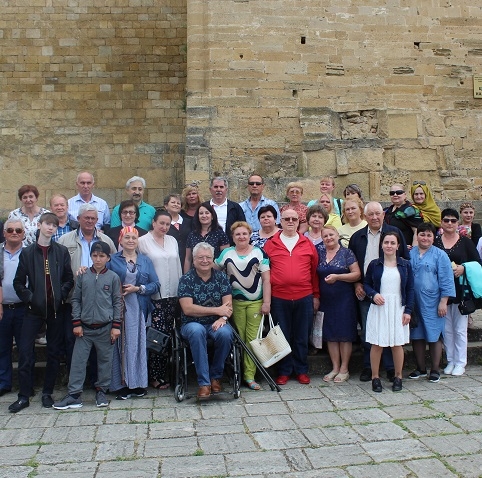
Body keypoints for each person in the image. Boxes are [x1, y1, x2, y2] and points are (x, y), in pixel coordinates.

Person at [9, 213, 74, 413]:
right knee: (26, 352)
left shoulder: (61, 251)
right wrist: (30, 298)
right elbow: (18, 282)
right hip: (32, 311)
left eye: (54, 225)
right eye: (47, 224)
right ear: (39, 225)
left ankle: (47, 392)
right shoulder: (28, 253)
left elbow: (68, 279)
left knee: (54, 352)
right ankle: (24, 395)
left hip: (55, 310)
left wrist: (61, 295)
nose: (50, 228)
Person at [52, 242, 122, 409]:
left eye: (102, 256)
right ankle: (74, 394)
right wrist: (76, 322)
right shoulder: (83, 276)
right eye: (95, 256)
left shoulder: (113, 277)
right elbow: (75, 299)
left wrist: (116, 325)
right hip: (85, 328)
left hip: (105, 327)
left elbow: (117, 302)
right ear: (91, 256)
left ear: (108, 257)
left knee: (105, 361)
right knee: (78, 361)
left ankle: (101, 391)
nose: (98, 259)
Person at [348, 202, 409, 383]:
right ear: (365, 217)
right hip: (367, 290)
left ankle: (390, 369)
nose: (374, 217)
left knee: (391, 330)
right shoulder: (357, 237)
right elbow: (352, 263)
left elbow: (405, 259)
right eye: (370, 214)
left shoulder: (394, 233)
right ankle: (369, 367)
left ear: (383, 215)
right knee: (370, 330)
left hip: (392, 291)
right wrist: (357, 284)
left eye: (377, 214)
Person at [264, 208, 319, 385]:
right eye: (286, 218)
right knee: (282, 335)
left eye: (294, 219)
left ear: (299, 221)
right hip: (279, 297)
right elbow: (264, 272)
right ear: (281, 221)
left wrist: (316, 296)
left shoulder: (307, 243)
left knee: (302, 335)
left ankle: (301, 370)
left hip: (304, 296)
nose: (290, 221)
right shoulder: (271, 243)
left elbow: (314, 272)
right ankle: (284, 371)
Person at [58, 204, 116, 370]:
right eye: (86, 218)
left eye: (93, 218)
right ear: (79, 219)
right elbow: (59, 268)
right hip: (73, 297)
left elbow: (113, 267)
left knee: (98, 342)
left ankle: (94, 379)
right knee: (72, 339)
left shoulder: (106, 241)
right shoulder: (65, 240)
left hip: (100, 301)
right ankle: (75, 379)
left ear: (98, 221)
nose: (90, 221)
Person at [215, 222, 271, 390]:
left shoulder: (259, 252)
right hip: (234, 303)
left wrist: (267, 302)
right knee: (239, 338)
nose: (241, 237)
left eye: (244, 234)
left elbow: (267, 279)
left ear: (249, 235)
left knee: (252, 339)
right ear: (233, 237)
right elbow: (214, 270)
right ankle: (237, 372)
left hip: (256, 303)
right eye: (237, 234)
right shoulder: (226, 253)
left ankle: (249, 376)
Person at [108, 227, 160, 400]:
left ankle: (137, 383)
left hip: (139, 306)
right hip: (120, 307)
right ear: (121, 240)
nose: (131, 240)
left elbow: (155, 284)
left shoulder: (145, 261)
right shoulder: (113, 260)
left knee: (137, 345)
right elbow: (104, 279)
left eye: (134, 238)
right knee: (120, 345)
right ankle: (121, 384)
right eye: (127, 237)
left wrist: (138, 288)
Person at [178, 242, 233, 399]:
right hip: (191, 323)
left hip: (216, 322)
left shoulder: (221, 277)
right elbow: (187, 308)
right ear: (194, 259)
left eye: (208, 257)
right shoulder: (186, 279)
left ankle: (215, 377)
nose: (204, 260)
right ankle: (203, 383)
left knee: (225, 334)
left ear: (213, 259)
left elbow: (228, 306)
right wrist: (217, 310)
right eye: (200, 257)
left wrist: (223, 317)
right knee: (197, 331)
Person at [364, 232, 414, 393]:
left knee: (397, 344)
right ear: (382, 245)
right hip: (379, 307)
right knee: (377, 343)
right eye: (386, 242)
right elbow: (366, 284)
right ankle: (375, 377)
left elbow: (410, 289)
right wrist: (373, 294)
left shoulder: (405, 265)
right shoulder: (375, 264)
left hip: (397, 307)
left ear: (398, 246)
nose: (389, 246)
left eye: (393, 243)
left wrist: (408, 311)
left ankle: (398, 377)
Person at [138, 209, 182, 389]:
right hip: (154, 296)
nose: (164, 227)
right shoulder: (142, 241)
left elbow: (178, 265)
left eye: (167, 224)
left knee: (172, 336)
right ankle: (154, 376)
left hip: (173, 296)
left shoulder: (172, 240)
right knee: (157, 336)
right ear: (154, 223)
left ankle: (172, 372)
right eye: (161, 223)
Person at [434, 208, 481, 376]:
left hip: (461, 291)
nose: (449, 223)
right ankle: (451, 360)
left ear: (457, 223)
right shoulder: (436, 242)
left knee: (460, 328)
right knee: (446, 329)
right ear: (441, 222)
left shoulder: (465, 242)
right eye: (446, 220)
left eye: (453, 221)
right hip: (442, 291)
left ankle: (461, 362)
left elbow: (478, 263)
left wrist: (464, 267)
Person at [409, 223, 455, 383]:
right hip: (414, 303)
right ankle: (420, 368)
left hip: (433, 302)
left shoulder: (440, 255)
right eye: (422, 234)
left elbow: (447, 279)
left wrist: (444, 301)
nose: (425, 238)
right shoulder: (410, 253)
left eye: (429, 235)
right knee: (417, 335)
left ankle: (435, 368)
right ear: (417, 236)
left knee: (434, 334)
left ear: (433, 237)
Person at [317, 226, 360, 383]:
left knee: (344, 334)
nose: (328, 238)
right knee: (330, 335)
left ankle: (344, 368)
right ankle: (335, 367)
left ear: (337, 235)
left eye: (331, 234)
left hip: (344, 299)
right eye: (325, 236)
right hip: (326, 300)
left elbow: (356, 274)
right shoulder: (319, 252)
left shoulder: (346, 253)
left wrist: (338, 277)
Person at [0, 220, 26, 397]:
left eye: (18, 230)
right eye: (10, 230)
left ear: (24, 233)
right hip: (2, 308)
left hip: (23, 307)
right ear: (4, 233)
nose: (14, 232)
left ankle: (27, 385)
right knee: (2, 347)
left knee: (25, 348)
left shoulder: (29, 253)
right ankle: (4, 383)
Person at [184, 204, 229, 272]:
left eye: (207, 213)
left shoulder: (220, 234)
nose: (204, 215)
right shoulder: (192, 235)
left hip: (215, 273)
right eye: (201, 213)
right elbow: (188, 259)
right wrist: (186, 277)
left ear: (212, 216)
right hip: (195, 274)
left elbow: (225, 258)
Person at [204, 176, 246, 245]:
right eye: (215, 187)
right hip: (207, 246)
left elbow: (242, 226)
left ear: (226, 190)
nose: (218, 190)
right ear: (210, 189)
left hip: (230, 246)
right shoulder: (204, 207)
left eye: (221, 187)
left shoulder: (235, 207)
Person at [164, 193, 192, 268]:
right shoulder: (161, 223)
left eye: (178, 203)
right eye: (173, 202)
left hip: (187, 261)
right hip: (168, 262)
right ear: (166, 206)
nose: (176, 205)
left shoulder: (189, 222)